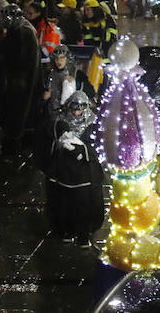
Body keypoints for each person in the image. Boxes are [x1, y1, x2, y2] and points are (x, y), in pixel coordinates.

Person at [44, 91, 104, 247]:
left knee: (85, 205)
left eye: (80, 109)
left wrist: (83, 151)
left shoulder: (92, 123)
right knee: (64, 203)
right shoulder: (61, 121)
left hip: (85, 173)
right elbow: (57, 140)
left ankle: (83, 234)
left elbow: (95, 145)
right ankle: (66, 231)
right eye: (74, 109)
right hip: (64, 171)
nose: (77, 112)